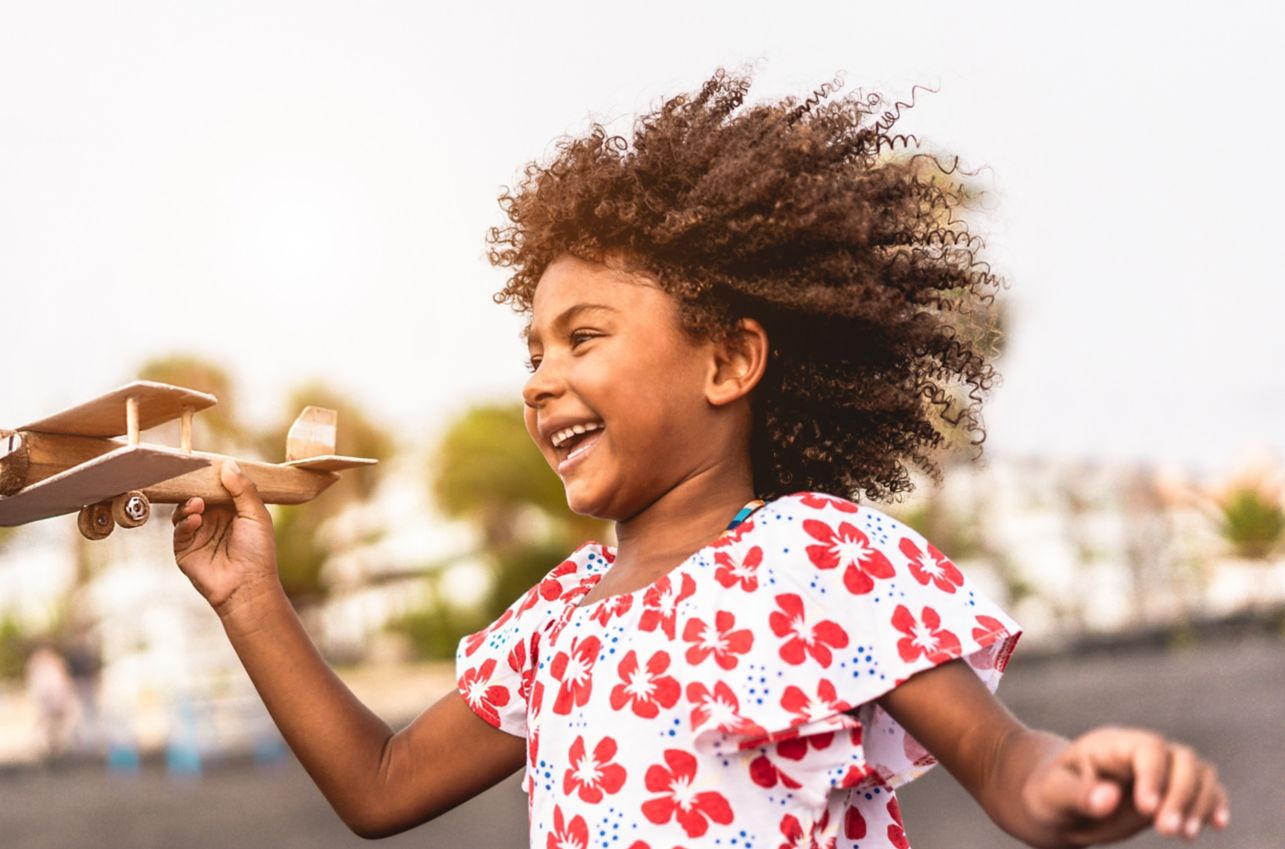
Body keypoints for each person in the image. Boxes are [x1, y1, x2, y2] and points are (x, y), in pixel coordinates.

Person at [169, 69, 1229, 848]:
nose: (539, 379)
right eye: (531, 351)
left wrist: (1076, 782)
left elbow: (1001, 761)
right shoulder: (557, 619)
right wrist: (250, 599)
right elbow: (381, 785)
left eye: (583, 339)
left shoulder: (816, 555)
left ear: (729, 359)